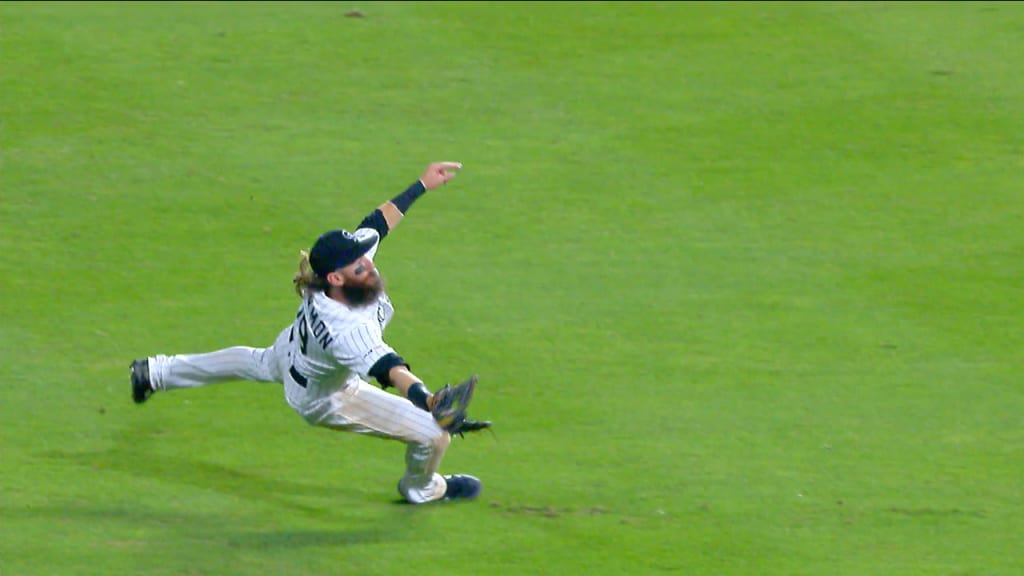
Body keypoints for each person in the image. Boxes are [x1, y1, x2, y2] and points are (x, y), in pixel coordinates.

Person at [129, 161, 491, 504]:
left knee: (249, 361)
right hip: (325, 396)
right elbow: (389, 368)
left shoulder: (333, 278)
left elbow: (376, 223)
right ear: (336, 278)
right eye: (359, 265)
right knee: (434, 435)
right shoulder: (346, 327)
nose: (368, 263)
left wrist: (423, 184)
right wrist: (427, 400)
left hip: (292, 353)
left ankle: (155, 372)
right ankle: (422, 489)